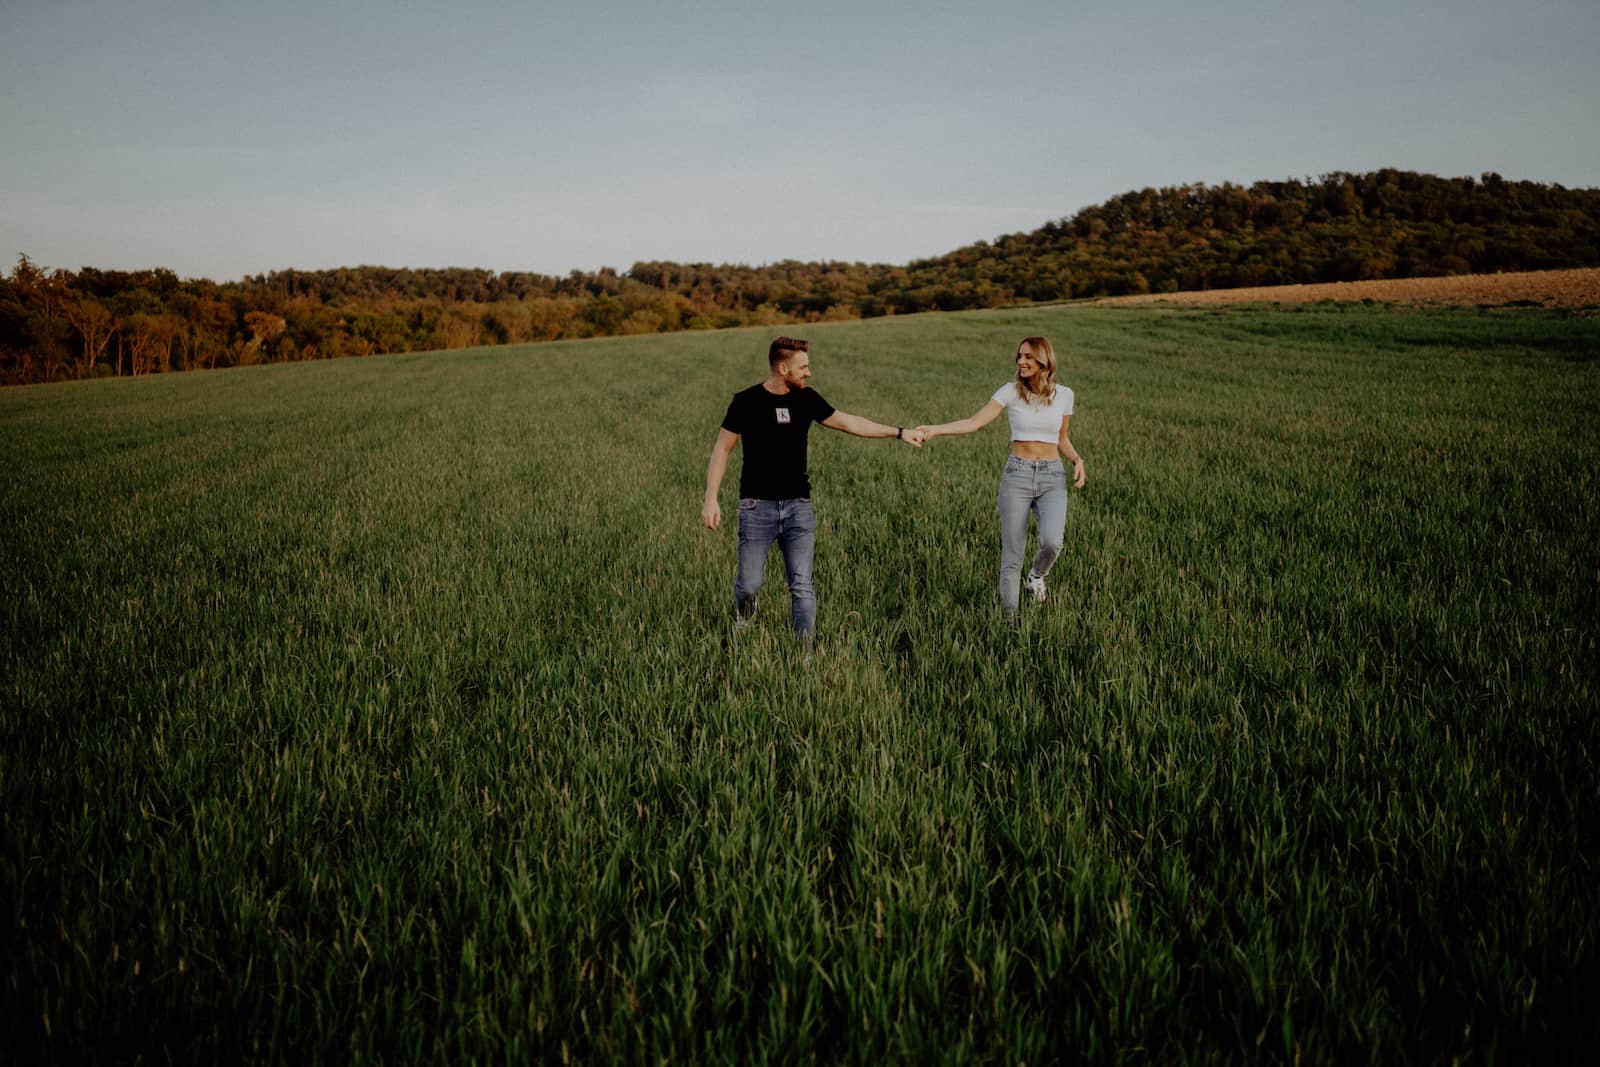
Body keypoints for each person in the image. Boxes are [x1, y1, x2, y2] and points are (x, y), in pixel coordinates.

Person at [702, 336, 925, 642]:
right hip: (757, 508)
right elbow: (722, 449)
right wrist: (711, 499)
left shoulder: (806, 399)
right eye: (803, 366)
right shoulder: (746, 402)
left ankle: (804, 653)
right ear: (783, 367)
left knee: (802, 584)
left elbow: (850, 423)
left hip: (798, 507)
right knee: (750, 585)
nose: (809, 372)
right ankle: (744, 619)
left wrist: (899, 433)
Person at [916, 336, 1086, 622]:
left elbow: (1061, 438)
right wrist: (936, 429)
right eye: (1019, 356)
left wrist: (1077, 459)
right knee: (1011, 556)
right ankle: (1011, 624)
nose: (1021, 362)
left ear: (1044, 360)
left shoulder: (1065, 395)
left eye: (1028, 357)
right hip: (1017, 476)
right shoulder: (1010, 392)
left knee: (1053, 542)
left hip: (1052, 476)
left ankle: (1037, 576)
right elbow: (974, 422)